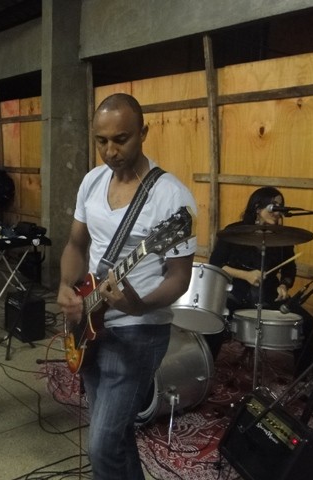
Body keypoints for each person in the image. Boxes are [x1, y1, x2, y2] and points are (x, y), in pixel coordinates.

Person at [57, 93, 196, 480]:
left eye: (121, 139)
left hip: (139, 330)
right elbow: (76, 244)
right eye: (101, 141)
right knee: (115, 437)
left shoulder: (171, 197)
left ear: (143, 133)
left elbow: (180, 277)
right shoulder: (92, 180)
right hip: (90, 320)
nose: (110, 151)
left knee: (102, 446)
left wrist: (138, 305)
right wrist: (66, 286)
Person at [206, 186, 313, 376]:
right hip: (235, 294)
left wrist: (284, 285)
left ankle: (302, 377)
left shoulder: (283, 237)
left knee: (308, 323)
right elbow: (216, 263)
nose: (278, 212)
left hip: (269, 296)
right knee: (213, 320)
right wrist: (246, 275)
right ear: (257, 208)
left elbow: (289, 269)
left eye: (281, 207)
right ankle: (206, 371)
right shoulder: (234, 231)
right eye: (273, 206)